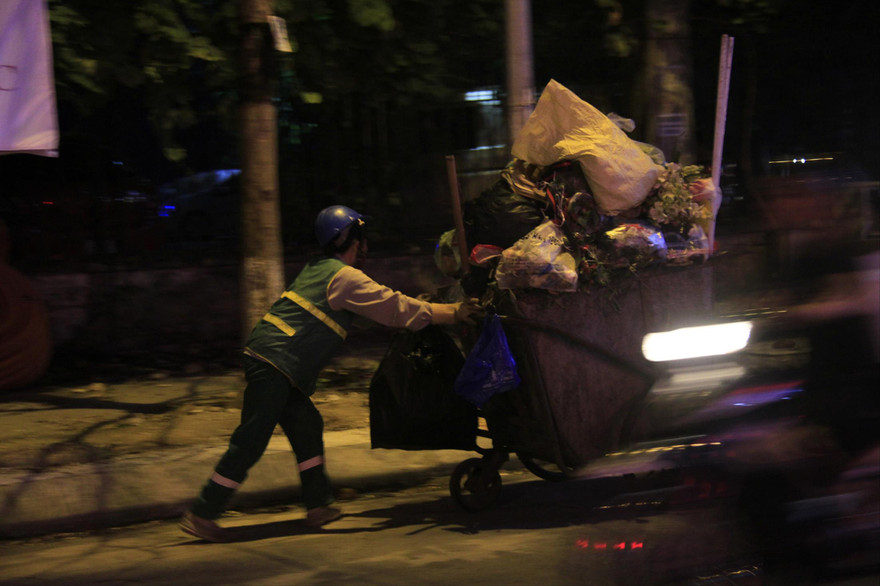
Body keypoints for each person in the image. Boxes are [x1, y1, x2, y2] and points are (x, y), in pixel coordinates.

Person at [180, 205, 481, 542]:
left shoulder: (322, 269)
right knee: (250, 440)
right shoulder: (344, 277)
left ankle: (318, 505)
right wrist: (453, 312)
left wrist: (424, 308)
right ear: (348, 238)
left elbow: (372, 311)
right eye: (361, 238)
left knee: (307, 425)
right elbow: (393, 308)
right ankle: (203, 512)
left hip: (277, 362)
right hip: (275, 363)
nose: (365, 246)